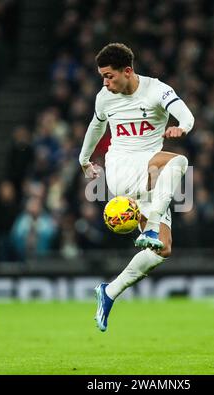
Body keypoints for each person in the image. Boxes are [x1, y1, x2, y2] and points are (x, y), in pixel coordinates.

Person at [79, 43, 194, 331]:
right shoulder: (105, 98)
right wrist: (84, 159)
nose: (105, 82)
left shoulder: (157, 90)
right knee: (178, 161)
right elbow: (96, 126)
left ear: (127, 71)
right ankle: (152, 224)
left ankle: (109, 292)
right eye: (102, 77)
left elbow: (187, 115)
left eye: (109, 76)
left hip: (151, 176)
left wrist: (183, 127)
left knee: (161, 250)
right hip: (121, 168)